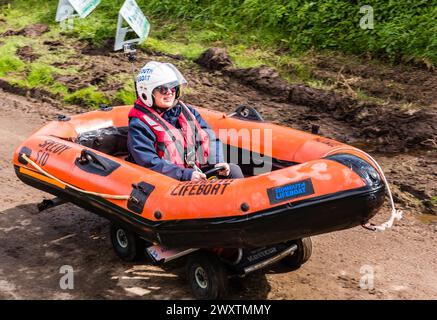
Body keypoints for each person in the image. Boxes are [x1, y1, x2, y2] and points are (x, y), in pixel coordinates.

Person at [127, 61, 244, 182]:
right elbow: (149, 162)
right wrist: (185, 175)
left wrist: (217, 161)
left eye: (173, 87)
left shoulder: (188, 112)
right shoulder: (139, 125)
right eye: (162, 89)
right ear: (146, 92)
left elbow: (210, 137)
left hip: (192, 171)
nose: (169, 92)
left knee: (233, 171)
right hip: (168, 181)